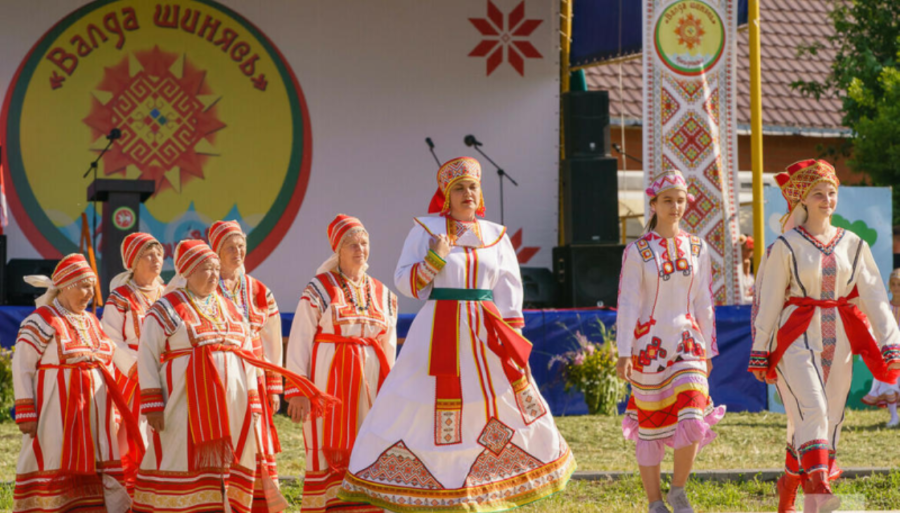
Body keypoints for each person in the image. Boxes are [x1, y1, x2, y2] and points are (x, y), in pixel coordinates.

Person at [340, 157, 575, 512]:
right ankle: (430, 485)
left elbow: (510, 292)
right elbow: (406, 283)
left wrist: (511, 345)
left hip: (485, 330)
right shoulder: (426, 230)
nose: (467, 193)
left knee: (496, 403)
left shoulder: (496, 235)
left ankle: (484, 487)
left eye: (473, 187)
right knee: (421, 402)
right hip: (438, 330)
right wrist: (434, 258)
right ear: (446, 196)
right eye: (459, 188)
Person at [133, 240, 332, 512]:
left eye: (216, 268)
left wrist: (253, 400)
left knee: (229, 465)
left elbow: (247, 355)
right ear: (188, 271)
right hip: (184, 405)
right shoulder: (166, 308)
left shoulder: (229, 308)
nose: (215, 274)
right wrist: (153, 403)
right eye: (206, 268)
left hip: (233, 407)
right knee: (179, 457)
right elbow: (147, 355)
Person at [750, 159, 900, 513]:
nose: (827, 199)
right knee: (813, 407)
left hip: (841, 336)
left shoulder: (853, 244)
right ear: (802, 199)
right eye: (818, 193)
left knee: (824, 419)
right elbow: (769, 301)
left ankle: (790, 488)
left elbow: (876, 297)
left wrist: (890, 342)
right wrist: (760, 349)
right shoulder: (785, 246)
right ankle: (819, 484)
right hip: (794, 335)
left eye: (831, 193)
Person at [616, 170, 724, 513]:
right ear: (653, 205)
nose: (675, 206)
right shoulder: (638, 251)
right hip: (648, 346)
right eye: (668, 200)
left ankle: (678, 490)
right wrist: (623, 352)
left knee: (693, 412)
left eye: (680, 200)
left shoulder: (697, 247)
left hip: (688, 343)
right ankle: (654, 502)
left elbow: (704, 301)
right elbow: (628, 302)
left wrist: (708, 348)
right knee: (650, 427)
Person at [12, 254, 142, 513]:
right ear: (64, 285)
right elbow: (23, 365)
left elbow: (109, 357)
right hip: (56, 415)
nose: (90, 294)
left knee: (97, 462)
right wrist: (25, 409)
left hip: (94, 416)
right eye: (83, 286)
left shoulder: (92, 321)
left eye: (92, 287)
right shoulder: (41, 320)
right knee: (55, 459)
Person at [286, 214, 398, 513]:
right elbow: (300, 338)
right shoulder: (320, 287)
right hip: (328, 386)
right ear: (337, 250)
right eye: (351, 244)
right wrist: (299, 389)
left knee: (370, 442)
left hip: (371, 387)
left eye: (364, 243)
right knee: (326, 447)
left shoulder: (384, 294)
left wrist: (391, 395)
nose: (359, 249)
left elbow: (388, 347)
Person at [210, 220, 284, 511]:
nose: (237, 251)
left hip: (254, 378)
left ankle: (255, 504)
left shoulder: (259, 290)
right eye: (230, 246)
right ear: (216, 251)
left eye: (241, 246)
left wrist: (275, 386)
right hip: (219, 377)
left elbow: (273, 339)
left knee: (254, 438)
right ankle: (222, 500)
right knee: (224, 437)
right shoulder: (204, 285)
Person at [101, 232, 166, 470]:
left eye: (159, 254)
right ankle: (131, 486)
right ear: (133, 262)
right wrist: (136, 367)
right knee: (133, 431)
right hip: (132, 374)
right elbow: (111, 338)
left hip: (166, 372)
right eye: (149, 255)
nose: (156, 259)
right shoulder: (120, 297)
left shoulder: (169, 295)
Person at [862, 268, 900, 426]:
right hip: (890, 351)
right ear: (889, 286)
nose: (897, 287)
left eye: (899, 284)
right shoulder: (885, 308)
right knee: (889, 382)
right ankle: (894, 416)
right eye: (894, 284)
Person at [738, 234, 755, 305]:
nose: (747, 253)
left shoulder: (754, 266)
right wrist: (746, 272)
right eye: (744, 249)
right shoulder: (735, 268)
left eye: (750, 250)